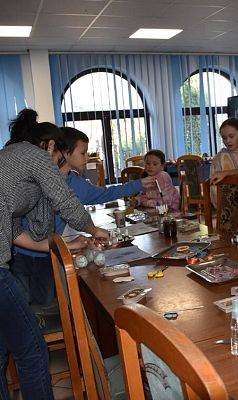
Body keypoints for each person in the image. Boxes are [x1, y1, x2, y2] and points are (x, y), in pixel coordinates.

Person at [0, 109, 108, 399]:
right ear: (50, 146)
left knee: (1, 350)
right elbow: (64, 199)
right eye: (59, 154)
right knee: (33, 348)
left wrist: (55, 244)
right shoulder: (34, 155)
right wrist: (93, 229)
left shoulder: (10, 158)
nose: (57, 162)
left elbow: (12, 231)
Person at [11, 127, 155, 306]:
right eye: (83, 152)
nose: (87, 157)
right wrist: (89, 232)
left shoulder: (75, 182)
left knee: (43, 306)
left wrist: (137, 184)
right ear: (64, 152)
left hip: (47, 254)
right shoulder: (38, 180)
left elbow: (103, 194)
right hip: (20, 253)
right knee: (22, 306)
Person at [210, 118, 238, 210]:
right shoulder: (218, 159)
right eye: (224, 138)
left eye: (231, 136)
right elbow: (213, 187)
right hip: (229, 208)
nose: (227, 141)